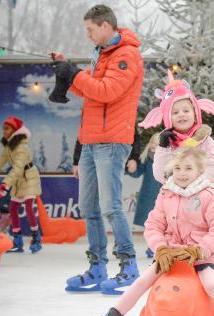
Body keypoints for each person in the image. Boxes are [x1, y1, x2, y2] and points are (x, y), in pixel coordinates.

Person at [51, 4, 145, 294]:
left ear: (106, 25)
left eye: (90, 29)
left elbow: (108, 92)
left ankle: (129, 266)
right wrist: (67, 71)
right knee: (89, 207)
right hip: (92, 141)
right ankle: (97, 266)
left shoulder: (126, 55)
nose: (88, 35)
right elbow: (92, 92)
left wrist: (75, 74)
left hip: (112, 141)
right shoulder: (102, 55)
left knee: (110, 206)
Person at [98, 148, 214, 316]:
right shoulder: (167, 194)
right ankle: (113, 314)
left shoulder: (210, 195)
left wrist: (200, 250)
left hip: (205, 256)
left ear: (200, 171)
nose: (182, 173)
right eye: (177, 168)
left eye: (188, 168)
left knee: (211, 284)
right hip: (172, 254)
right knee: (143, 281)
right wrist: (161, 248)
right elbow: (153, 225)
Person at [139, 71, 214, 185]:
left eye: (186, 110)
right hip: (176, 194)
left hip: (202, 193)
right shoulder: (167, 143)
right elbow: (160, 175)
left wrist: (198, 183)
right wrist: (163, 147)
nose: (181, 114)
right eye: (175, 112)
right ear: (168, 118)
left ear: (195, 113)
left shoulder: (205, 141)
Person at [0, 116, 43, 253]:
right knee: (13, 208)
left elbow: (18, 167)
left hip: (29, 177)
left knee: (29, 207)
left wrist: (5, 184)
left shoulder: (22, 147)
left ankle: (36, 238)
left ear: (15, 130)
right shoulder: (9, 145)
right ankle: (17, 240)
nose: (4, 131)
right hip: (19, 179)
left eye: (7, 128)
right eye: (3, 128)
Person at [125, 133, 162, 258]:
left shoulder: (169, 160)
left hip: (164, 196)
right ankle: (152, 246)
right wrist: (132, 170)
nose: (154, 146)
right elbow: (138, 172)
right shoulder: (147, 159)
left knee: (163, 223)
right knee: (151, 224)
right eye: (153, 143)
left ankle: (159, 246)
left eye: (158, 144)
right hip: (148, 195)